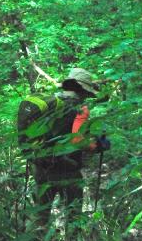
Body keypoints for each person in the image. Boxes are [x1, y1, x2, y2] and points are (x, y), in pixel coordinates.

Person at [18, 66, 107, 222]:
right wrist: (97, 145)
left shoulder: (52, 103)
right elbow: (77, 140)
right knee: (74, 216)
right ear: (82, 90)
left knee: (40, 214)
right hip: (68, 170)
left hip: (41, 167)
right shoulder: (80, 109)